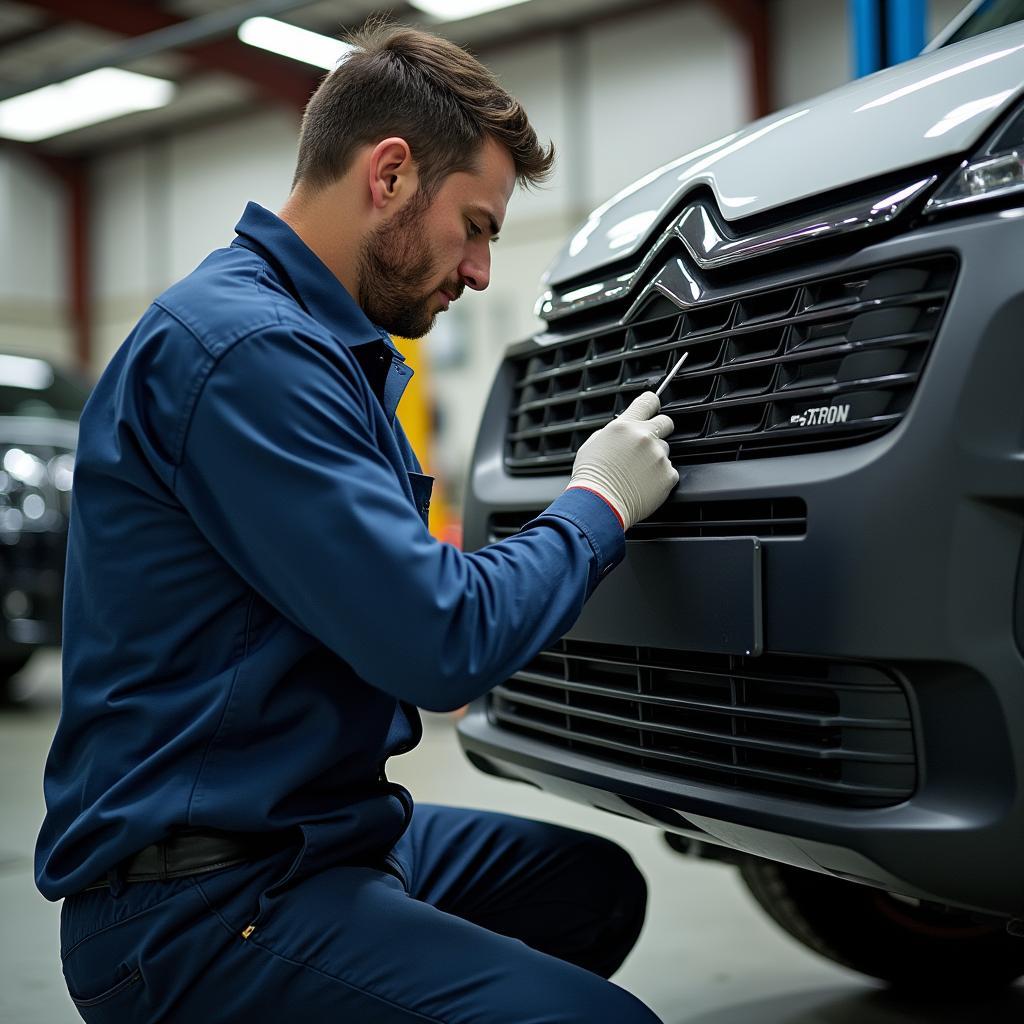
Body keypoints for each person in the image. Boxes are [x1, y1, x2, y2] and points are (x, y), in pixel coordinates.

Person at [36, 21, 677, 1024]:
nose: (477, 271)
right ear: (388, 175)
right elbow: (439, 639)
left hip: (323, 827)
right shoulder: (246, 353)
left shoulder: (321, 350)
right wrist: (598, 503)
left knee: (589, 887)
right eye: (474, 225)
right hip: (199, 902)